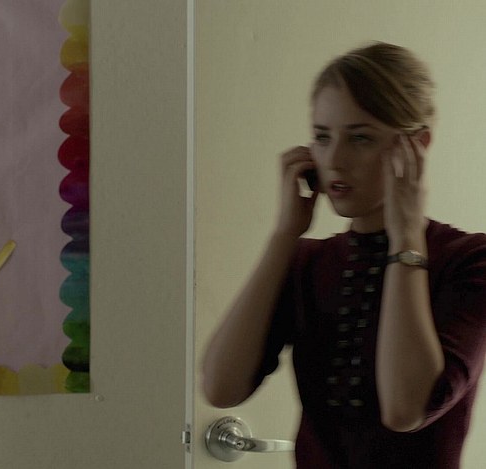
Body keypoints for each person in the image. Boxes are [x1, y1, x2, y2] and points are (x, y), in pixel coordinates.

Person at [201, 41, 486, 468]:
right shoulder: (307, 262)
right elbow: (220, 388)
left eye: (360, 138)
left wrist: (407, 236)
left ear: (417, 145)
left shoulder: (469, 259)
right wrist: (284, 234)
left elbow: (405, 409)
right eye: (322, 137)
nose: (334, 159)